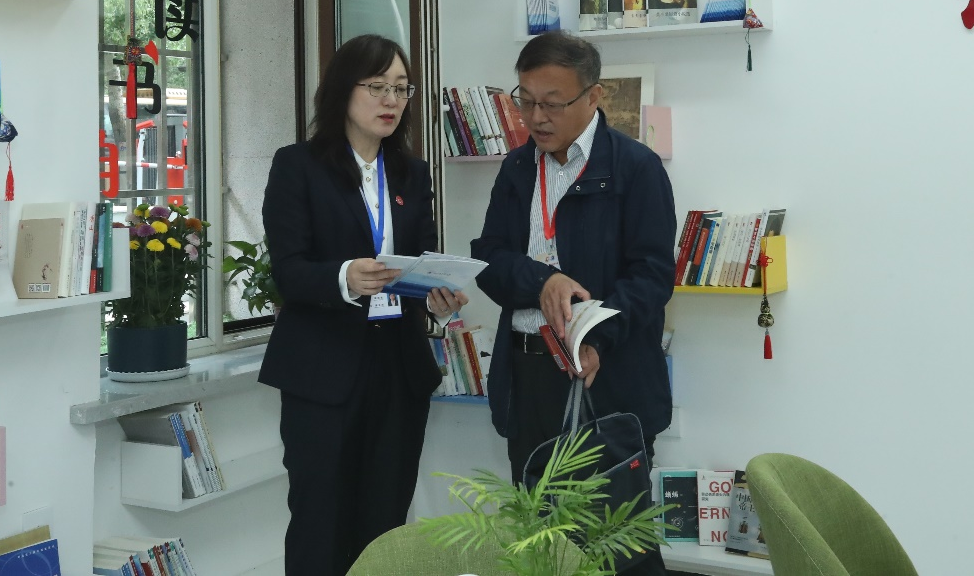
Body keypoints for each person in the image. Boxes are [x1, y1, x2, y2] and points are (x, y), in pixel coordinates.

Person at [259, 34, 467, 576]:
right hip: (323, 371)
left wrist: (438, 298)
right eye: (377, 87)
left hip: (398, 368)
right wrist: (345, 277)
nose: (391, 100)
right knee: (320, 519)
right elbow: (289, 270)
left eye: (401, 88)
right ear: (341, 91)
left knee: (385, 525)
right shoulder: (298, 165)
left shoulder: (411, 173)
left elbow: (423, 258)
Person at [472, 30, 675, 575]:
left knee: (616, 549)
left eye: (552, 103)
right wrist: (542, 280)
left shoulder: (635, 168)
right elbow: (489, 258)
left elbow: (653, 277)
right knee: (541, 547)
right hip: (529, 379)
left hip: (606, 380)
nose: (536, 118)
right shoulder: (517, 169)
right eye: (525, 101)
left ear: (593, 96)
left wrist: (593, 334)